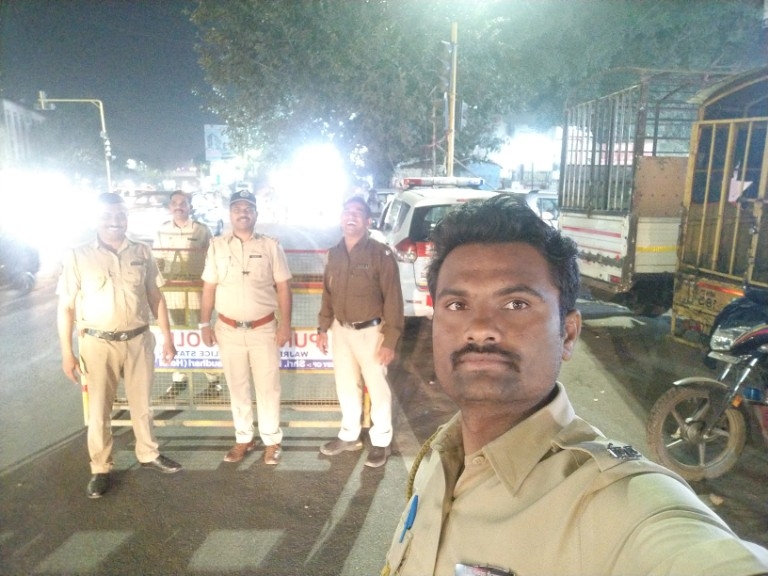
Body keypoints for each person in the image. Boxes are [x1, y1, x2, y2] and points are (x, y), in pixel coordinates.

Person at [382, 195, 768, 575]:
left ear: (568, 334)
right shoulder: (437, 458)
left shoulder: (615, 502)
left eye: (516, 304)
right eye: (457, 305)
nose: (480, 328)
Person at [57, 192, 183, 500]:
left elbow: (155, 297)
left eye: (120, 215)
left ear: (126, 218)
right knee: (99, 410)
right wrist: (67, 353)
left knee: (142, 405)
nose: (114, 221)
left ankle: (148, 453)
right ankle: (100, 467)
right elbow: (66, 307)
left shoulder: (141, 251)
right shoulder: (77, 255)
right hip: (98, 344)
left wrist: (167, 337)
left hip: (138, 340)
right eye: (107, 216)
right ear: (96, 219)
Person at [199, 190, 292, 466]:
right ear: (230, 214)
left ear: (256, 214)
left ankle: (271, 441)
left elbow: (284, 287)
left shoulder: (271, 246)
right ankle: (244, 438)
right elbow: (209, 287)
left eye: (248, 208)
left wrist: (285, 324)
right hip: (228, 329)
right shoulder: (217, 246)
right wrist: (204, 323)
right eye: (237, 208)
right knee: (237, 387)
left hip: (264, 329)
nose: (243, 213)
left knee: (268, 388)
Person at [317, 195, 404, 468]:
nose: (351, 216)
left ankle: (381, 441)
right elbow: (327, 293)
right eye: (347, 211)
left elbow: (393, 300)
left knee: (377, 388)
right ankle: (349, 435)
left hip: (371, 332)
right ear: (341, 219)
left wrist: (390, 340)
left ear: (367, 221)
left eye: (357, 212)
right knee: (346, 386)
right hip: (341, 331)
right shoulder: (334, 253)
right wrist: (323, 327)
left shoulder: (381, 254)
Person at [153, 190, 220, 400]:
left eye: (183, 203)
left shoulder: (201, 230)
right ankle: (179, 378)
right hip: (172, 293)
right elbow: (157, 261)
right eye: (175, 203)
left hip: (197, 292)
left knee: (202, 332)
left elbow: (213, 258)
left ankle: (213, 381)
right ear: (169, 207)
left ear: (190, 207)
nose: (179, 206)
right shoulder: (162, 230)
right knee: (175, 334)